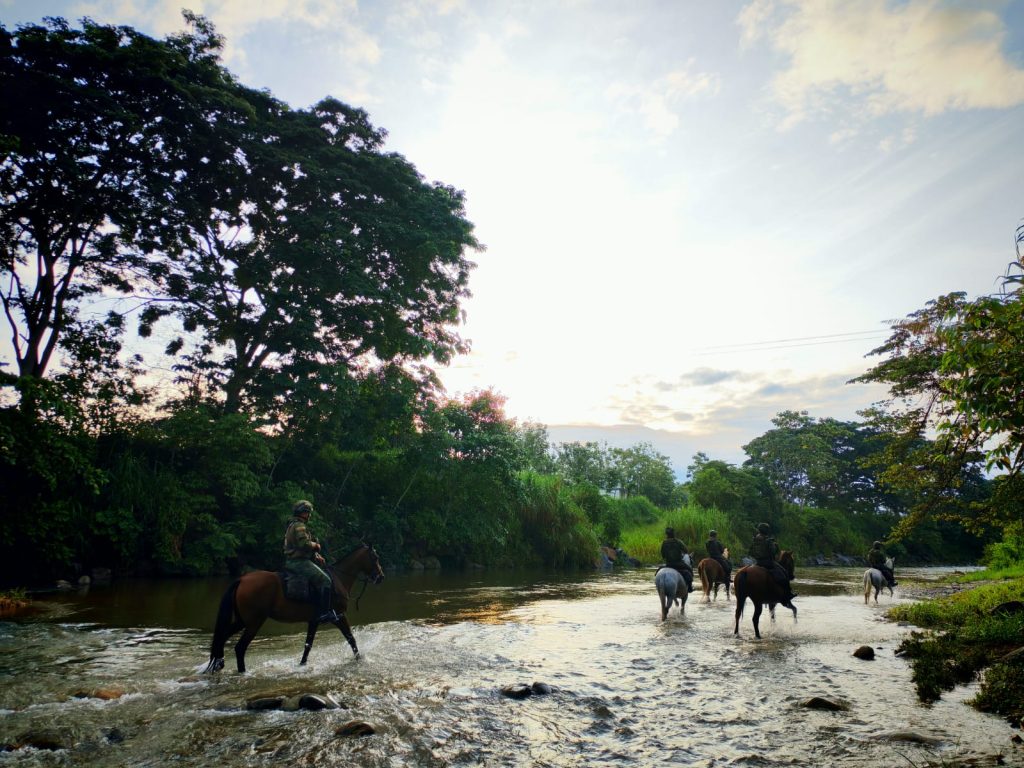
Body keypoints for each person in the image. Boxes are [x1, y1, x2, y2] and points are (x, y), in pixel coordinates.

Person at [283, 500, 339, 623]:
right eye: (307, 512)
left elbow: (299, 546)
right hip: (298, 562)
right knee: (326, 581)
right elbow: (304, 544)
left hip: (295, 560)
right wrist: (316, 546)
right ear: (302, 513)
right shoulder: (299, 526)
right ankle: (324, 613)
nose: (309, 515)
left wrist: (316, 555)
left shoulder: (293, 524)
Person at [749, 522, 796, 603]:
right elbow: (773, 552)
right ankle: (789, 593)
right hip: (768, 562)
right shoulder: (768, 540)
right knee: (784, 574)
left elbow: (750, 552)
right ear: (766, 530)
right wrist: (775, 546)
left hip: (757, 563)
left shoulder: (755, 540)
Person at [661, 527, 694, 592]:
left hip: (668, 564)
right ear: (673, 534)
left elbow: (663, 555)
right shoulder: (678, 541)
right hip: (678, 564)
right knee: (689, 570)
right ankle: (690, 587)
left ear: (667, 534)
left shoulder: (664, 543)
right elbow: (686, 550)